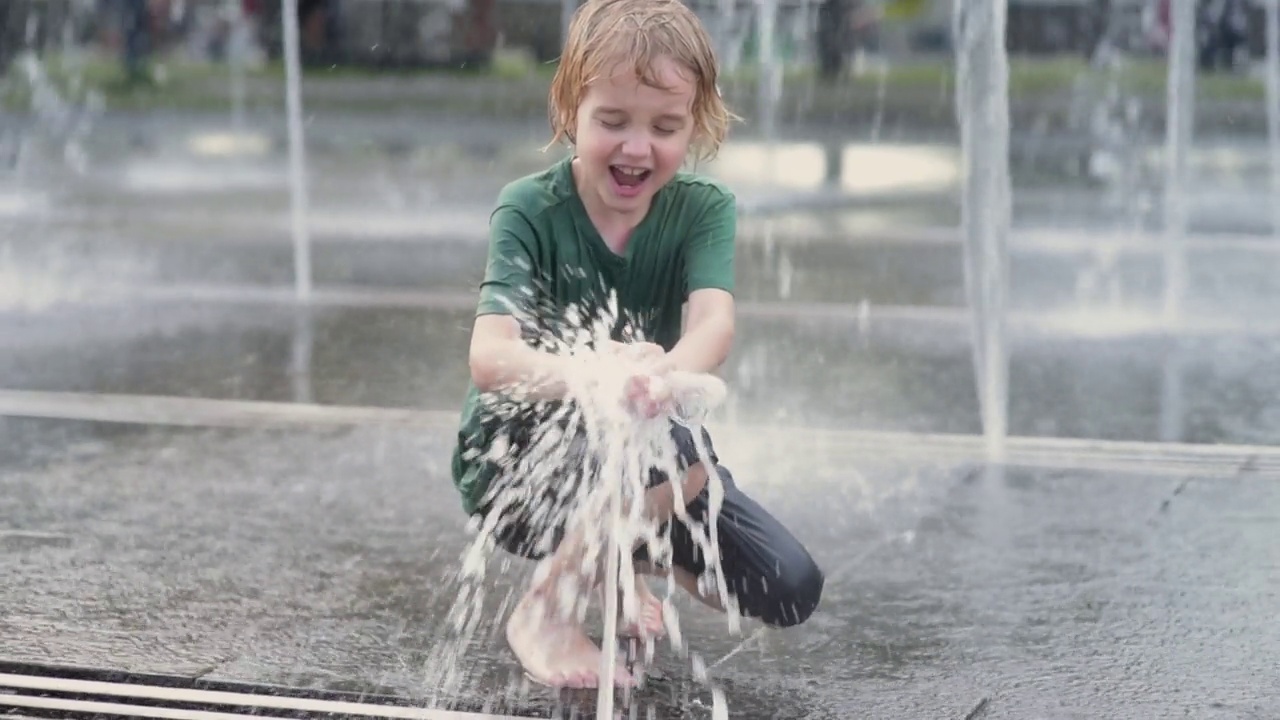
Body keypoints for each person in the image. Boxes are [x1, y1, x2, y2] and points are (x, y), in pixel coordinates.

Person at [449, 0, 824, 690]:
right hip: (516, 472)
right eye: (612, 121)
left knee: (788, 585)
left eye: (665, 126)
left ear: (698, 124)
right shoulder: (528, 208)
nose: (636, 148)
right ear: (569, 111)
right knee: (675, 453)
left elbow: (713, 324)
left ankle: (611, 557)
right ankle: (545, 613)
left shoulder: (703, 208)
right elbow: (491, 358)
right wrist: (591, 375)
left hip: (636, 460)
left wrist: (664, 372)